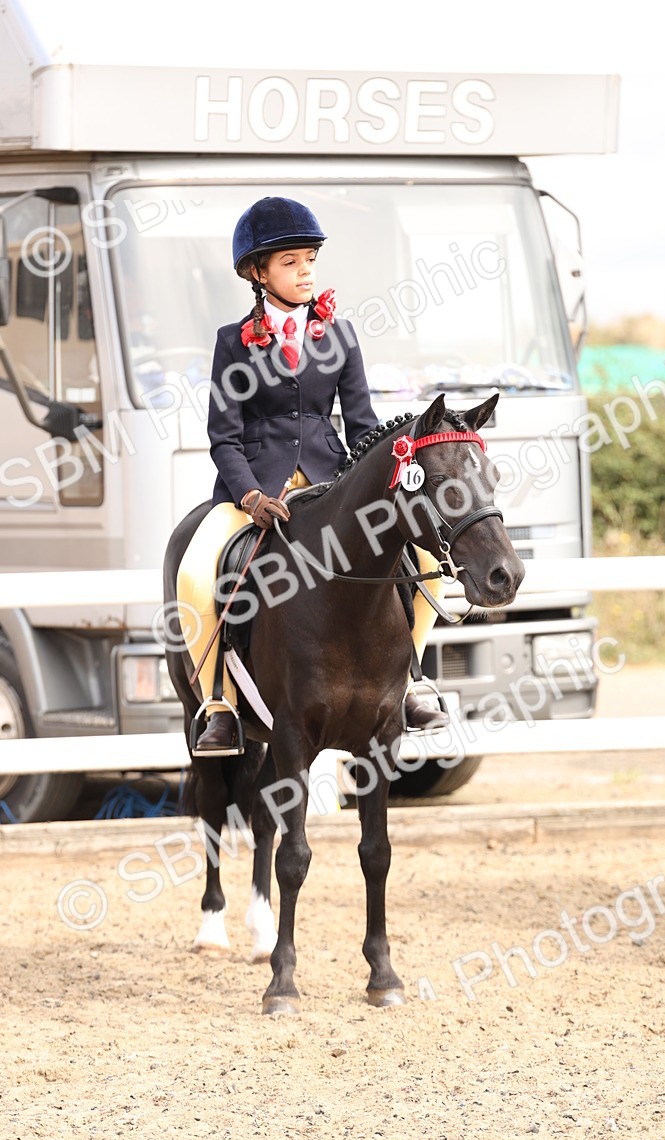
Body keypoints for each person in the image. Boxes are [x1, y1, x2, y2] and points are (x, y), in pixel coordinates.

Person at [177, 196, 449, 754]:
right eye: (290, 262)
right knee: (198, 574)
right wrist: (250, 495)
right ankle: (219, 702)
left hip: (332, 482)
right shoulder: (233, 342)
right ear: (258, 272)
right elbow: (223, 436)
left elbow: (364, 427)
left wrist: (385, 477)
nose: (304, 272)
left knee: (426, 563)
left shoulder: (342, 337)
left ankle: (412, 680)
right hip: (254, 488)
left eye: (310, 260)